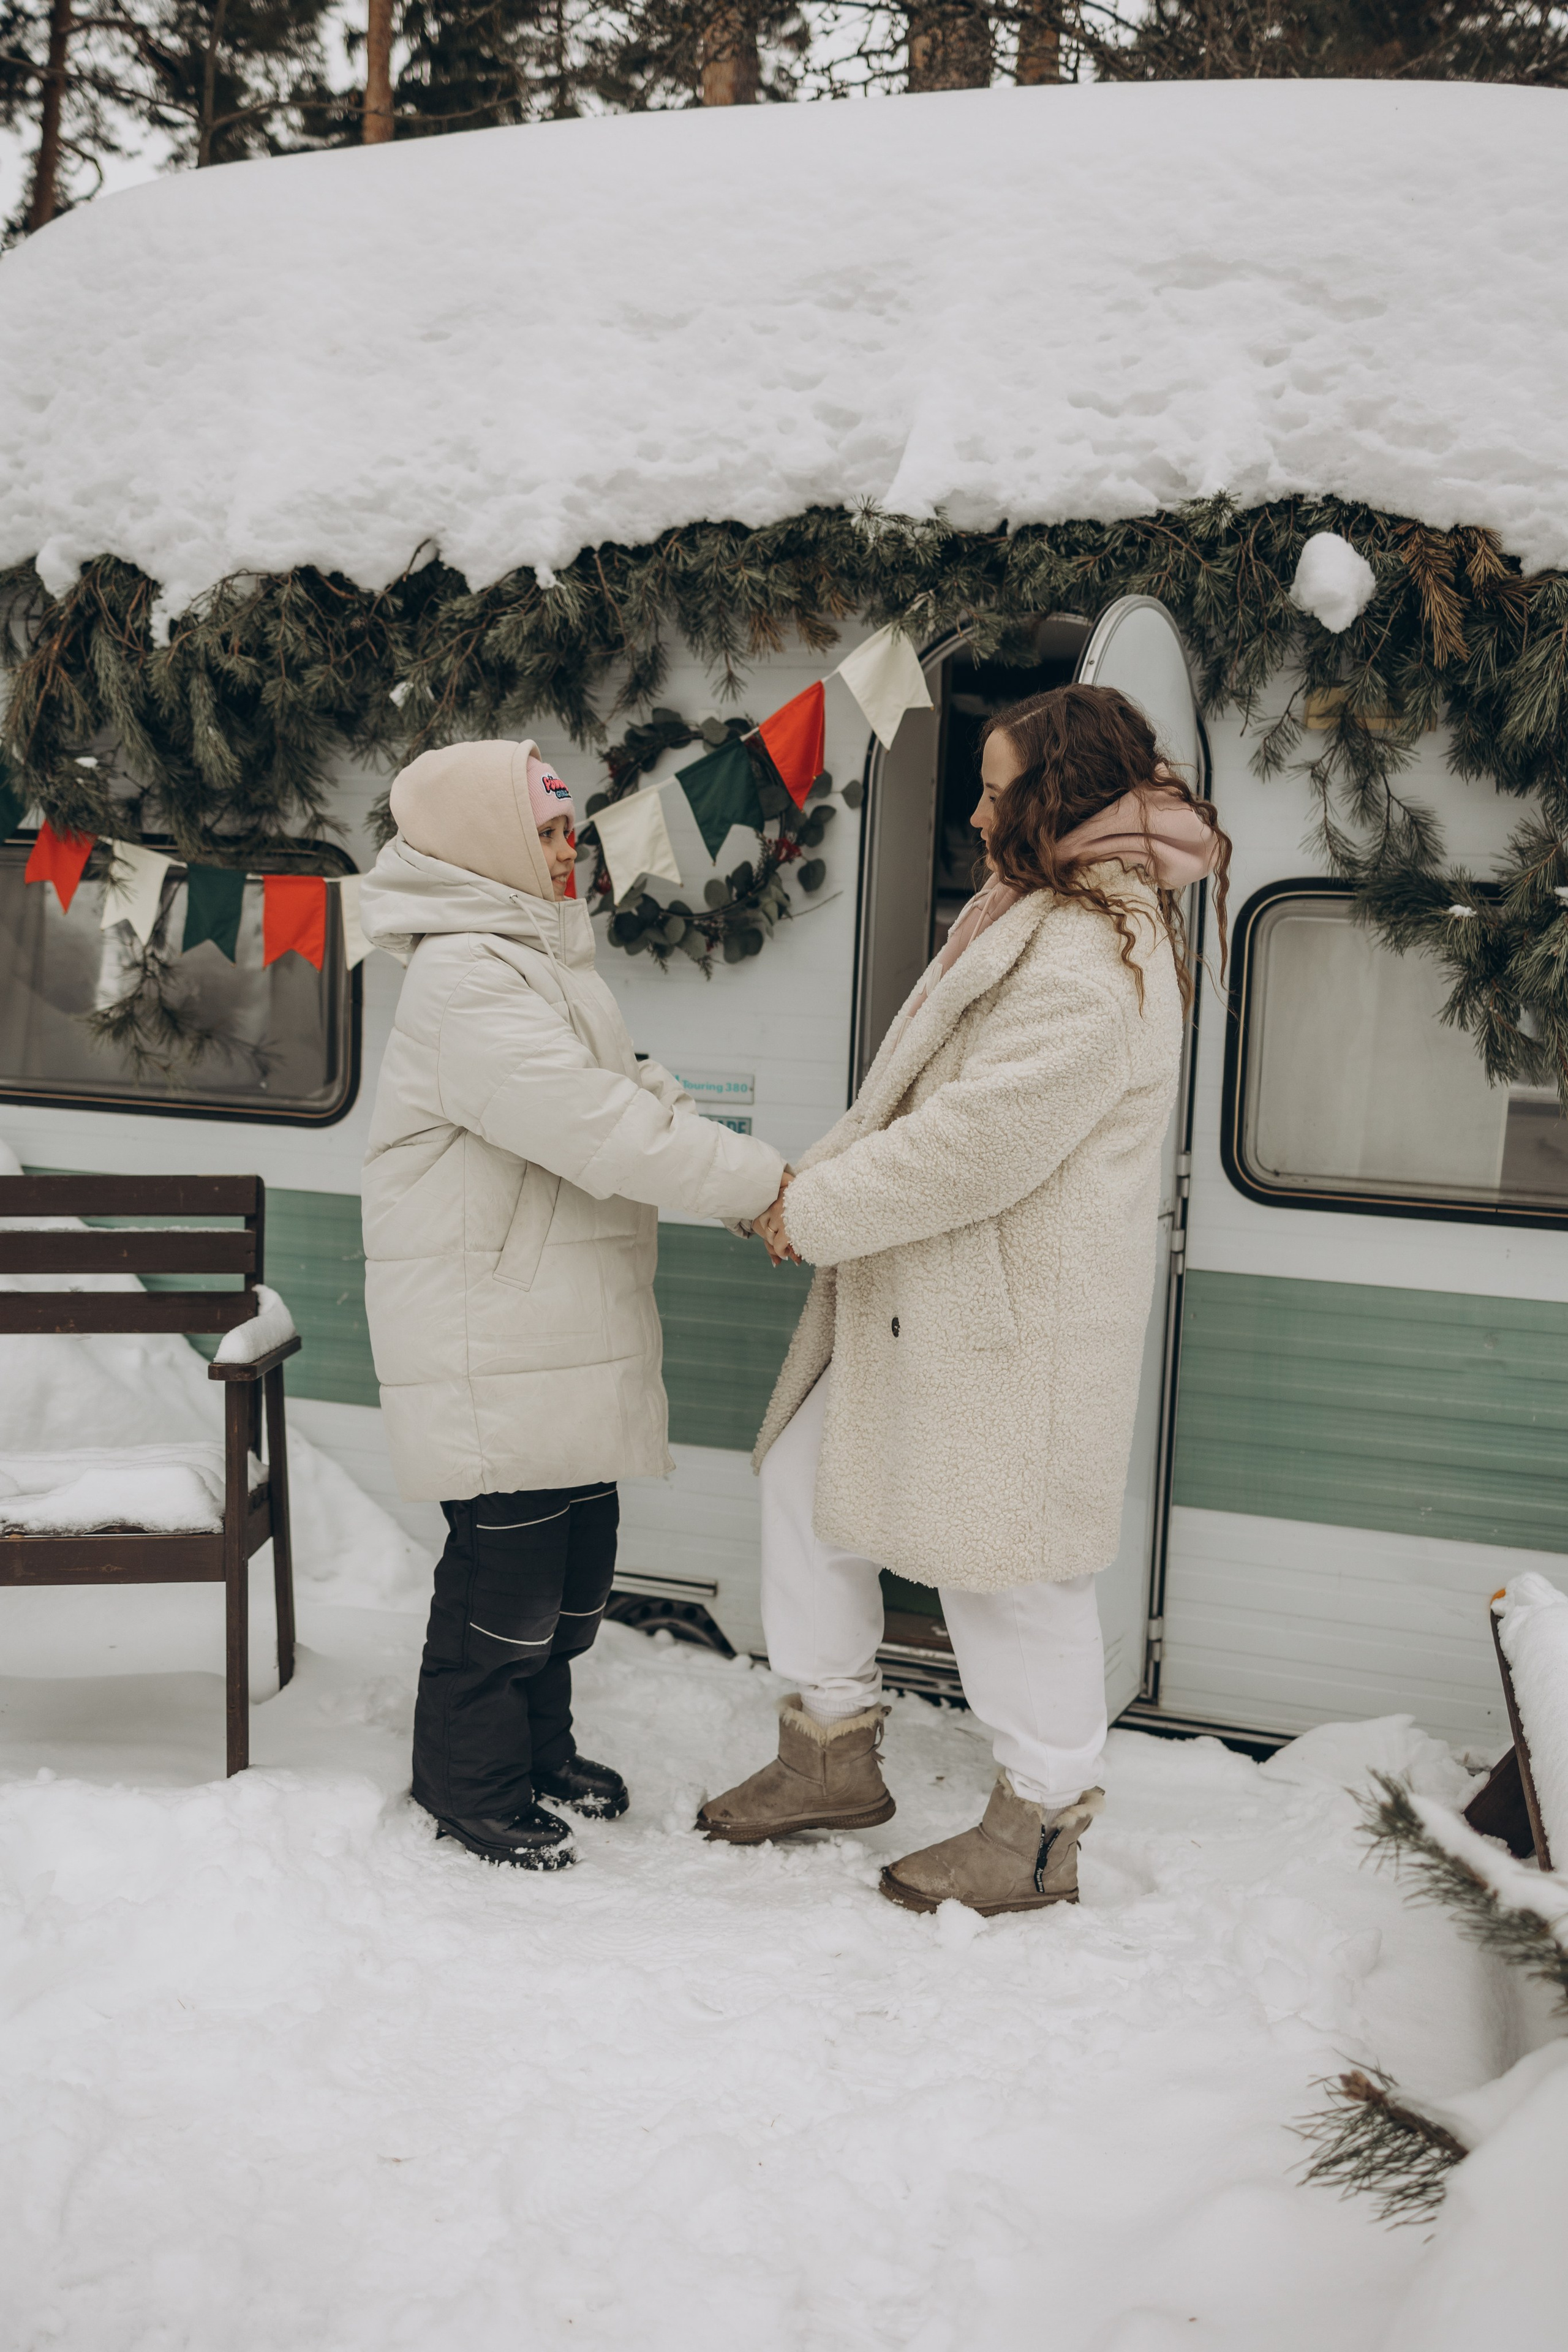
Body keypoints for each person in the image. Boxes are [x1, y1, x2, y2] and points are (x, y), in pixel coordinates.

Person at [698, 684, 1230, 1916]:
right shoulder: (1040, 911)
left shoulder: (1095, 955)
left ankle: (1038, 1830)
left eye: (997, 788)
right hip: (927, 1298)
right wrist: (802, 1185)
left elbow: (971, 1146)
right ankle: (827, 1753)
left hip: (1008, 1322)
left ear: (1058, 797)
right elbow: (905, 1101)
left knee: (1011, 1572)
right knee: (802, 1483)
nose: (979, 811)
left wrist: (808, 1211)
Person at [358, 740, 786, 1871]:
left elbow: (630, 1089)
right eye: (548, 832)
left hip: (548, 1325)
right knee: (502, 1585)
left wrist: (746, 1173)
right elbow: (593, 1128)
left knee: (565, 1577)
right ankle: (467, 1784)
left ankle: (536, 1754)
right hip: (491, 1326)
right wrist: (759, 1191)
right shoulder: (467, 979)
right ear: (488, 844)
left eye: (565, 828)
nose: (569, 851)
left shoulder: (541, 964)